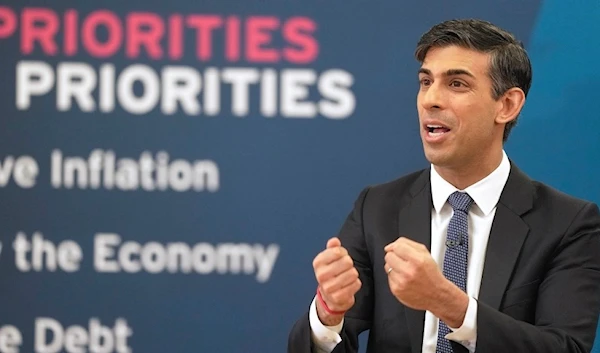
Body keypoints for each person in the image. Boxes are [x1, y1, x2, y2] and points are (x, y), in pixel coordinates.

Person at [287, 18, 600, 353]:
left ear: (507, 105)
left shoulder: (569, 224)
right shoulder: (377, 208)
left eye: (456, 84)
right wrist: (328, 313)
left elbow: (565, 347)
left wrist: (450, 305)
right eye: (426, 82)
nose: (430, 100)